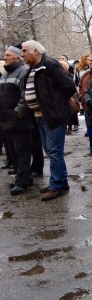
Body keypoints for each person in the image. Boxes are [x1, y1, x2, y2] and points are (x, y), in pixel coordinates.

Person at [16, 40, 77, 201]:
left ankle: (56, 185)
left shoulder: (50, 65)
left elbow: (69, 86)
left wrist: (54, 104)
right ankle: (61, 182)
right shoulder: (33, 68)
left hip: (53, 116)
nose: (22, 54)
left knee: (54, 151)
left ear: (36, 51)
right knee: (51, 150)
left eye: (24, 51)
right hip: (40, 116)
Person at [0, 46, 34, 195]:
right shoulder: (5, 74)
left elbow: (26, 95)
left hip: (19, 121)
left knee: (21, 152)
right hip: (6, 121)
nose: (4, 57)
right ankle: (24, 177)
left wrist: (18, 113)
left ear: (18, 57)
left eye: (7, 55)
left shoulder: (24, 71)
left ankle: (22, 182)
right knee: (13, 153)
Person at [78, 53, 92, 156]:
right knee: (90, 130)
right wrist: (80, 97)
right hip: (87, 107)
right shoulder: (86, 74)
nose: (90, 63)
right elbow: (80, 86)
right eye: (89, 61)